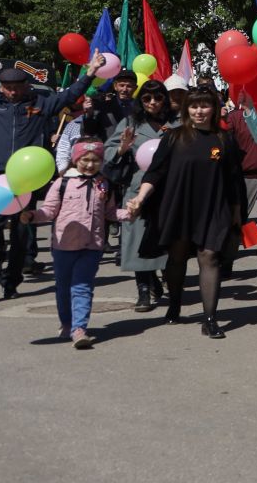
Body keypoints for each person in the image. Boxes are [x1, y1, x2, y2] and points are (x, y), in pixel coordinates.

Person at [0, 56, 106, 301]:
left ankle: (12, 280)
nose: (12, 91)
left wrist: (91, 72)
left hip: (25, 179)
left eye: (17, 86)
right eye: (8, 87)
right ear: (0, 87)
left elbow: (71, 94)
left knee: (21, 232)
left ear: (26, 86)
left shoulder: (42, 104)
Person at [124, 85, 244, 336]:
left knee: (209, 257)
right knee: (176, 258)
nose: (199, 111)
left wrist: (236, 213)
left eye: (205, 105)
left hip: (214, 207)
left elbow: (234, 179)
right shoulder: (174, 136)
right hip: (179, 206)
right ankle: (175, 304)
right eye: (194, 106)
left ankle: (210, 319)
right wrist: (140, 198)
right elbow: (155, 171)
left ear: (214, 108)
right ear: (187, 109)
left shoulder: (224, 139)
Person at [23, 139, 122, 348]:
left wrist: (128, 213)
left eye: (95, 160)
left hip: (92, 245)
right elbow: (49, 211)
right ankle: (66, 323)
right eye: (85, 159)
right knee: (63, 288)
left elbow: (110, 212)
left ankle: (79, 329)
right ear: (76, 160)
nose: (89, 164)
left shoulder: (104, 183)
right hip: (63, 245)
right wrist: (32, 215)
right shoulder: (62, 183)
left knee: (82, 286)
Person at [105, 79, 174, 312]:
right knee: (137, 240)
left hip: (170, 190)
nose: (153, 102)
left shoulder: (177, 122)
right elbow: (107, 152)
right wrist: (122, 148)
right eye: (146, 98)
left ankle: (168, 283)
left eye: (157, 97)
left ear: (165, 98)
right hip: (137, 190)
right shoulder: (130, 123)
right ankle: (144, 290)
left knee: (167, 240)